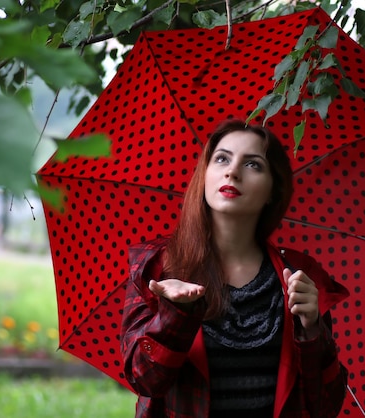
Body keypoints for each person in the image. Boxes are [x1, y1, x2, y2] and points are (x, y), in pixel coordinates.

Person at [120, 119, 350, 418]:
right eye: (222, 158)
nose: (232, 171)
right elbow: (143, 380)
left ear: (272, 191)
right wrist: (175, 315)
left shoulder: (298, 276)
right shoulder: (158, 266)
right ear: (204, 175)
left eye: (253, 164)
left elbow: (325, 406)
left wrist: (312, 330)